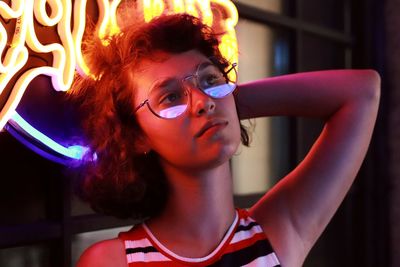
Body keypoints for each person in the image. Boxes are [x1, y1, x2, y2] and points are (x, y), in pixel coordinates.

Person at [72, 13, 380, 267]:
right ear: (137, 135)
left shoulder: (275, 234)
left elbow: (363, 91)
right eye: (169, 97)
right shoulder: (113, 261)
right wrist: (214, 97)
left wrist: (227, 101)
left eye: (210, 79)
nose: (202, 102)